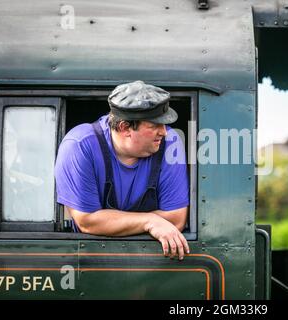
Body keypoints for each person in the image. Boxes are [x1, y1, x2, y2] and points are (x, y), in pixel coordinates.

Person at [55, 81, 190, 260]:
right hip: (91, 261)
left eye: (164, 125)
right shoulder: (79, 146)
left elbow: (176, 218)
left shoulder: (171, 143)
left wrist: (108, 221)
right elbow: (87, 221)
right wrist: (151, 221)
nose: (163, 132)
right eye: (154, 125)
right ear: (124, 127)